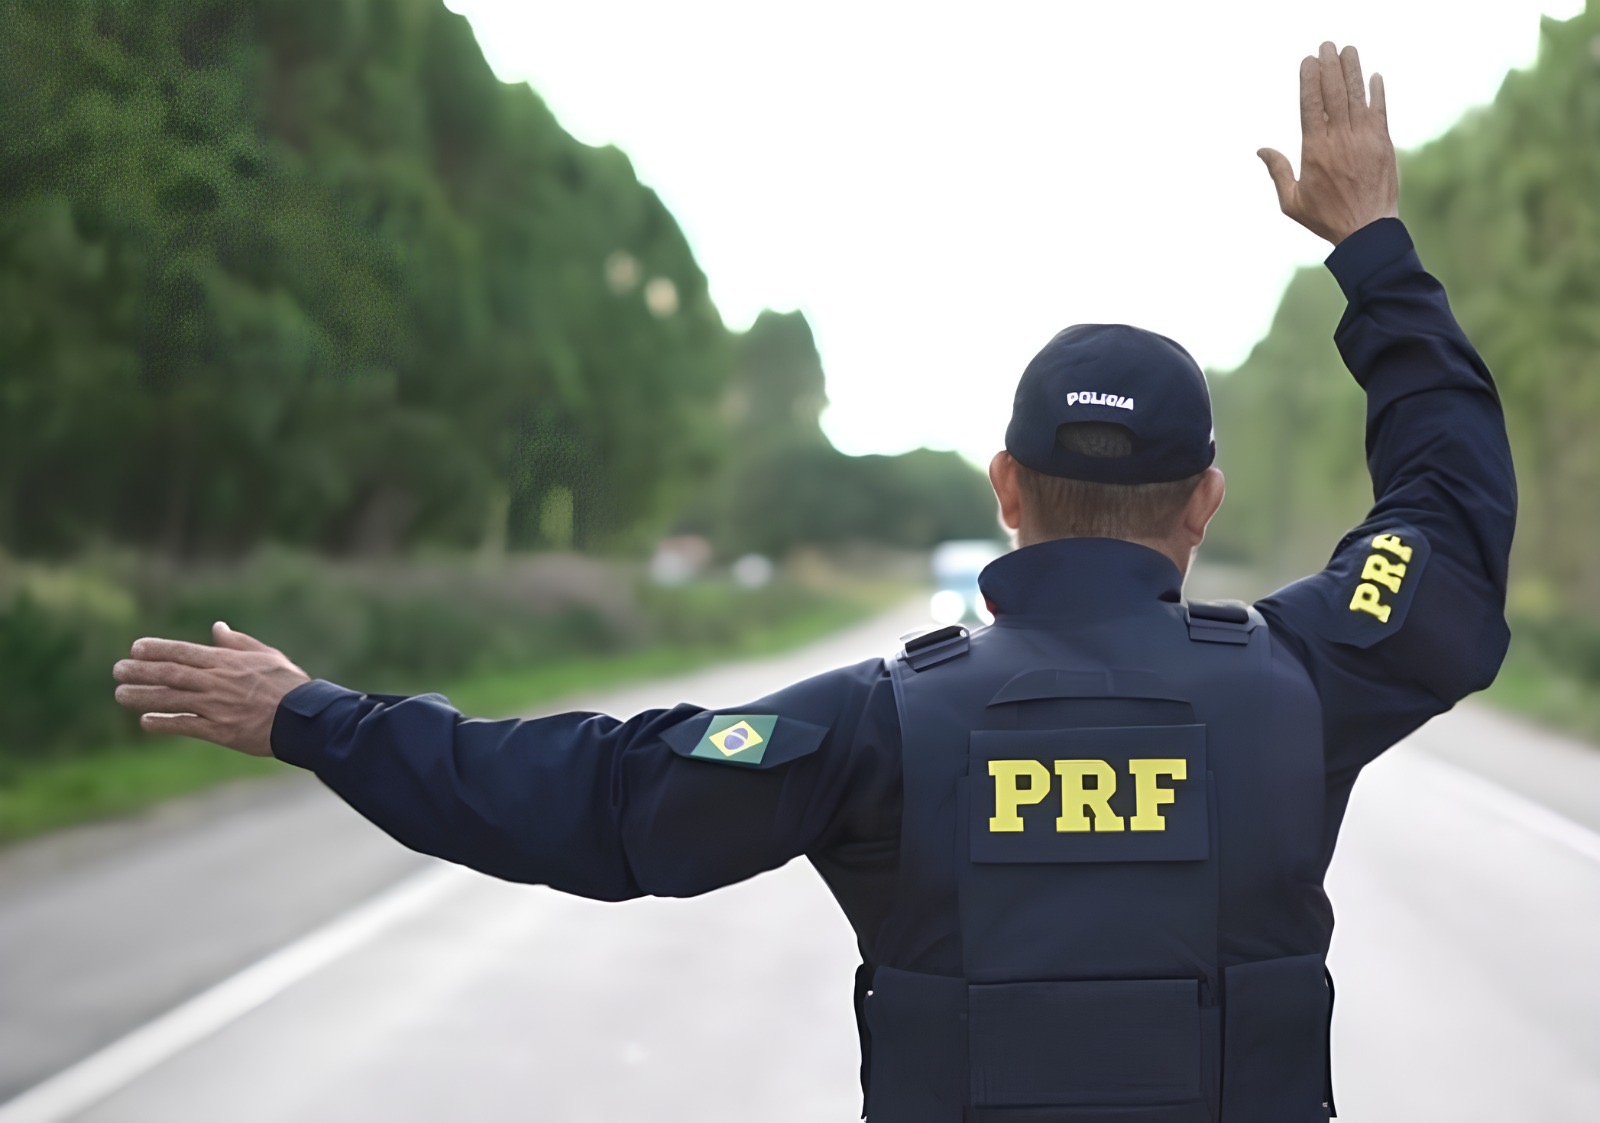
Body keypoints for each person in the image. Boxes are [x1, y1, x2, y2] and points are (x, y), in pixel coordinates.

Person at [113, 42, 1515, 1122]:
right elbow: (1447, 515)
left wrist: (312, 716)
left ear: (1005, 491)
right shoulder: (1300, 679)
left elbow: (594, 804)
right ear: (1205, 503)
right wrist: (1370, 249)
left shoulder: (882, 725)